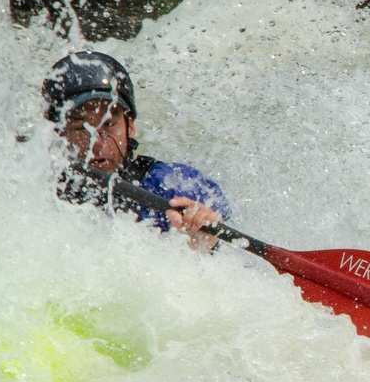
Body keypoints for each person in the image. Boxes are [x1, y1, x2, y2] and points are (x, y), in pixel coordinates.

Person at [43, 51, 232, 252]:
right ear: (58, 132)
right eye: (81, 128)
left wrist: (208, 245)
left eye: (109, 124)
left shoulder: (172, 185)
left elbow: (235, 259)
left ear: (130, 126)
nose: (96, 143)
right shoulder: (40, 186)